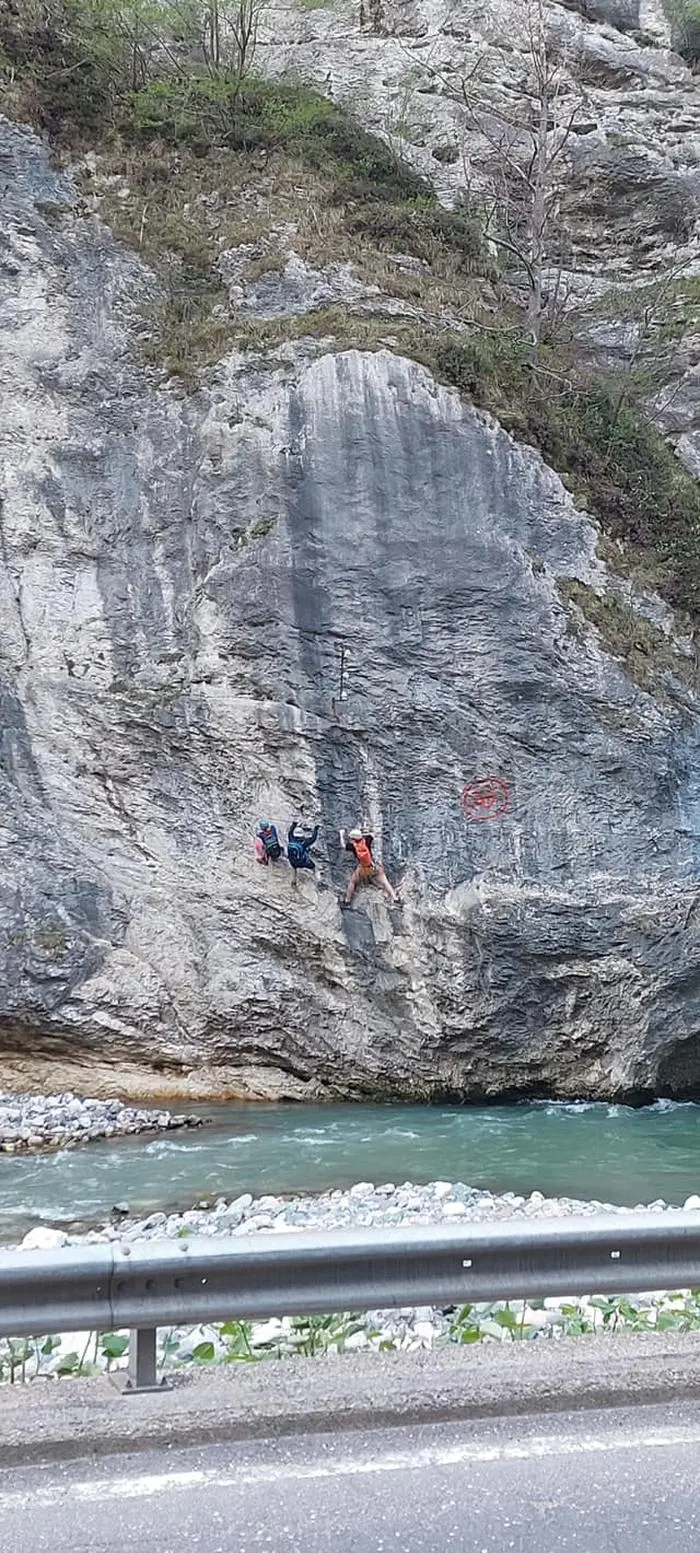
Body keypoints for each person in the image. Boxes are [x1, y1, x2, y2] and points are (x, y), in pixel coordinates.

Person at [340, 826, 399, 906]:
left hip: (362, 870)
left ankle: (347, 900)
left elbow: (343, 845)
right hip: (373, 867)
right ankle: (395, 898)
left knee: (353, 882)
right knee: (385, 882)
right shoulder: (367, 841)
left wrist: (342, 834)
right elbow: (371, 835)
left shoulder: (353, 846)